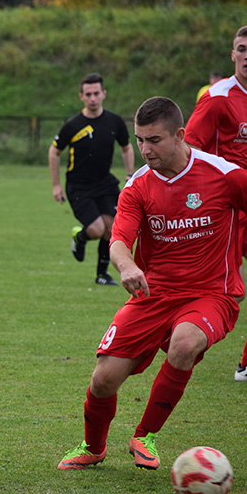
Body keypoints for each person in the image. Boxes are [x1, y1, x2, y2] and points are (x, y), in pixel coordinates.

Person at [58, 96, 247, 472]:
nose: (145, 149)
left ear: (179, 135)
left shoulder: (224, 174)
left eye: (154, 140)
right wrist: (127, 266)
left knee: (185, 343)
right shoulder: (138, 186)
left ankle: (144, 436)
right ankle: (93, 447)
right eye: (140, 140)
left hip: (212, 293)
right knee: (104, 379)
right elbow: (118, 240)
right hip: (153, 293)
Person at [185, 25, 247, 381]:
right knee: (224, 291)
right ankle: (184, 338)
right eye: (242, 49)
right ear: (233, 55)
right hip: (228, 210)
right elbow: (190, 147)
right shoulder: (218, 97)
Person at [48, 73, 135, 286]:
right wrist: (56, 185)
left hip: (105, 183)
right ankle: (80, 237)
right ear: (81, 97)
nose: (93, 98)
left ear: (104, 94)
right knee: (96, 229)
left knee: (111, 228)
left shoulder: (114, 121)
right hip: (79, 186)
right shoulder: (73, 125)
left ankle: (102, 274)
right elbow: (54, 152)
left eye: (96, 93)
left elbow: (126, 147)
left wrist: (130, 174)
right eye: (88, 94)